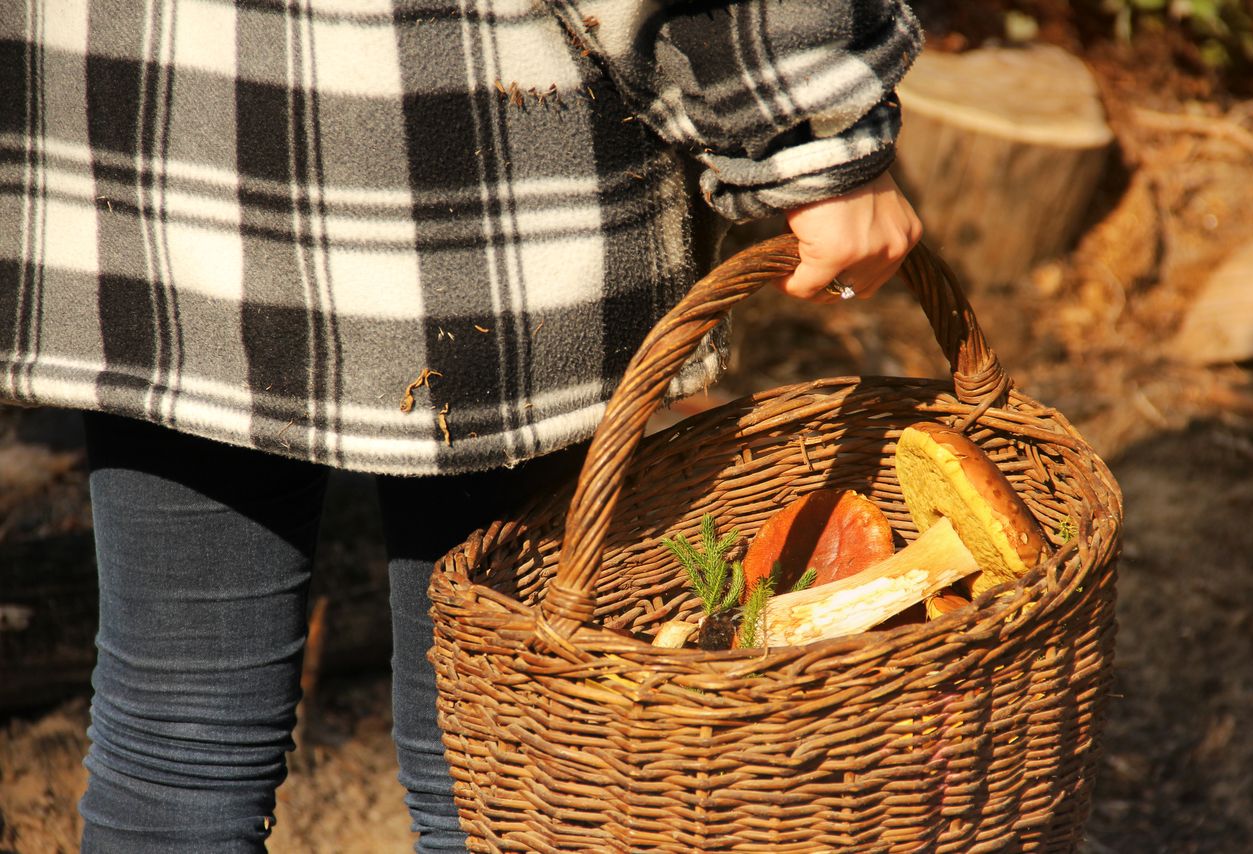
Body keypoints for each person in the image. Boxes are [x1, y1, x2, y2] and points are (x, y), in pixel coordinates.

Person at [0, 0, 923, 850]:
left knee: (175, 738)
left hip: (156, 153)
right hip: (465, 178)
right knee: (490, 758)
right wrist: (811, 131)